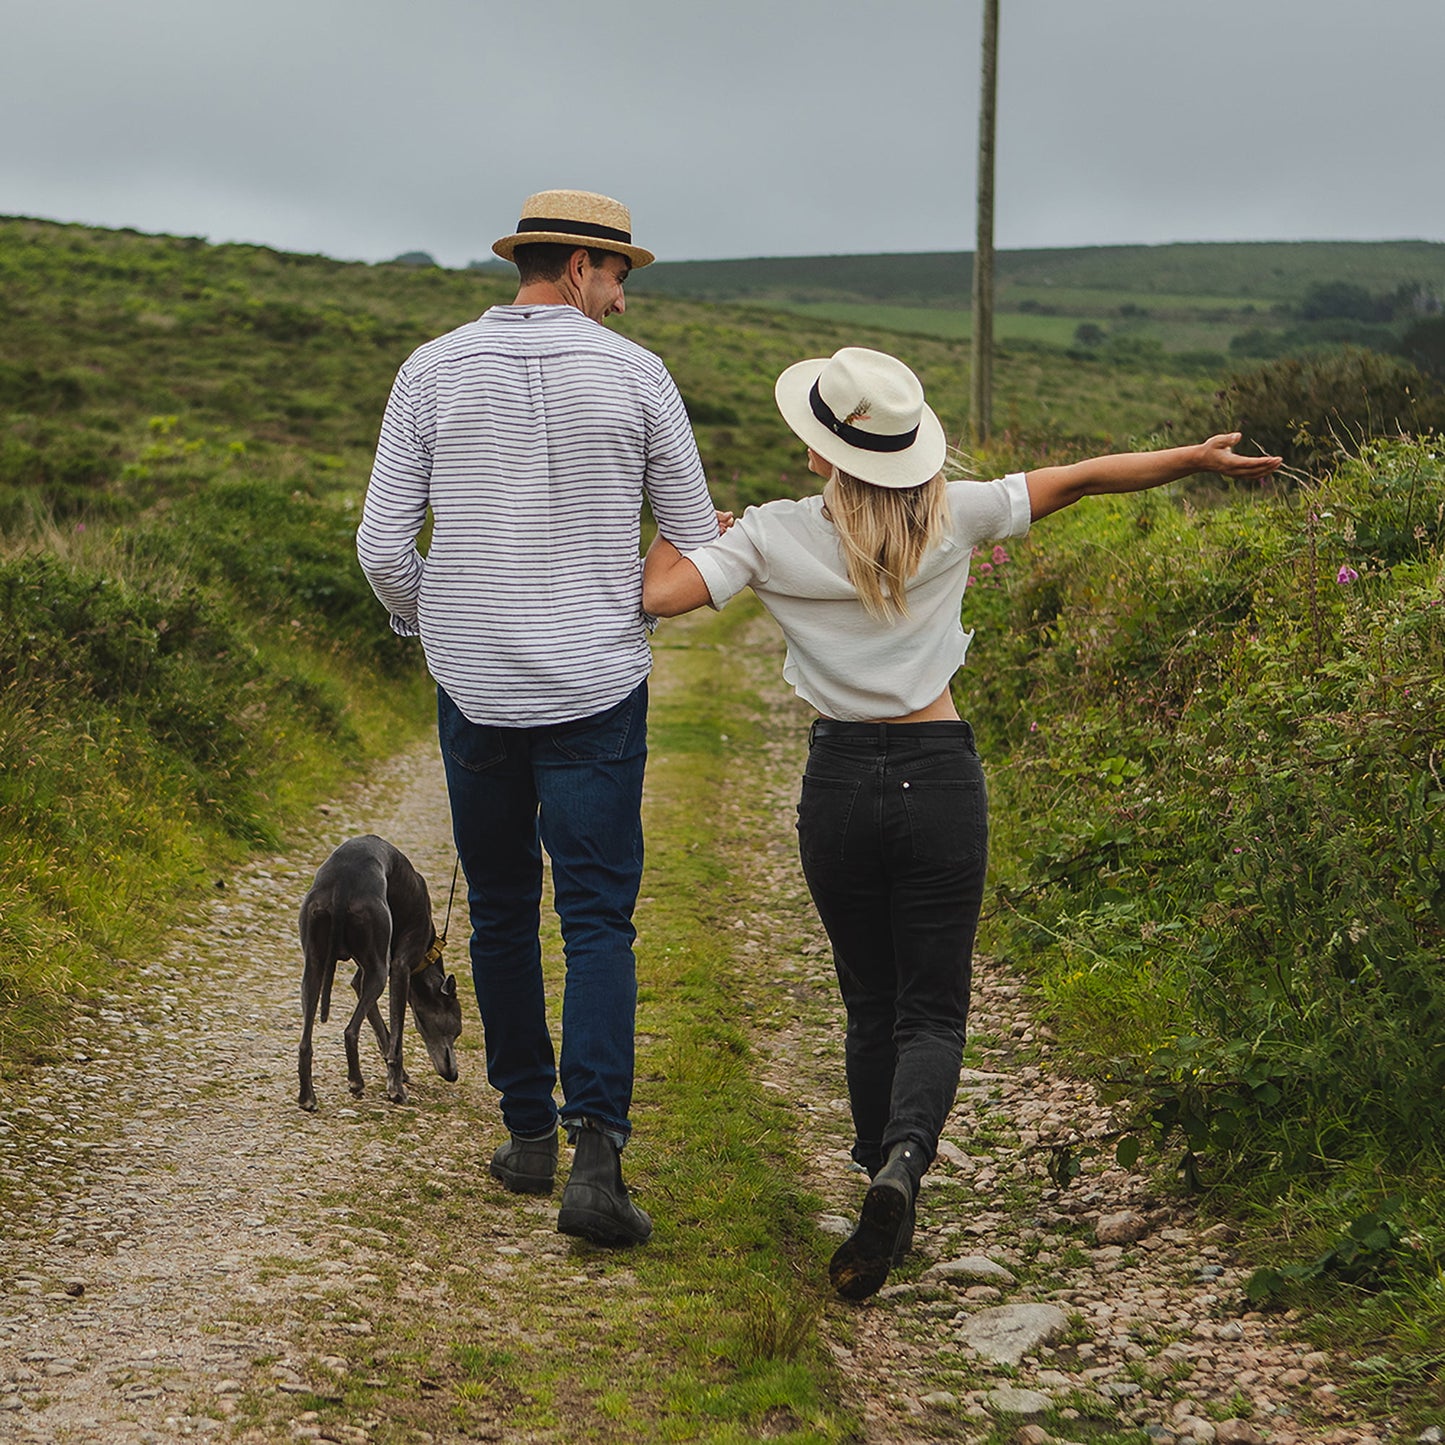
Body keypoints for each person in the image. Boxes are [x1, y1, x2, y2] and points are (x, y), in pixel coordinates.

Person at [641, 346, 1281, 1297]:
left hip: (839, 782)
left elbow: (658, 597)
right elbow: (1085, 478)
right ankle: (904, 1161)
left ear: (819, 450)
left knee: (869, 998)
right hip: (939, 776)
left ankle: (873, 1168)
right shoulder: (957, 513)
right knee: (932, 1007)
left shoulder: (770, 534)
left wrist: (689, 530)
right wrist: (1192, 458)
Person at [357, 189, 723, 1247]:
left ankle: (526, 1136)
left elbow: (381, 547)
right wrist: (616, 599)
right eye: (616, 277)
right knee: (598, 916)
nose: (620, 300)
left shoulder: (429, 368)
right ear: (575, 267)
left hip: (475, 690)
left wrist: (439, 623)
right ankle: (595, 1161)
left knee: (504, 907)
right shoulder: (639, 376)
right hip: (596, 686)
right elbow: (693, 537)